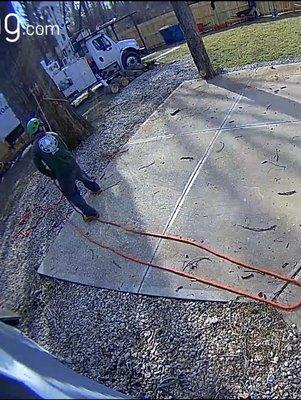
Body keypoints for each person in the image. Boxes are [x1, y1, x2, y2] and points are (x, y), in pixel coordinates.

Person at [27, 117, 101, 222]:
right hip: (71, 163)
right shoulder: (53, 135)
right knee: (83, 176)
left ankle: (91, 213)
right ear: (42, 127)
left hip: (61, 173)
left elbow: (39, 166)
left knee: (72, 194)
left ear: (32, 133)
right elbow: (64, 147)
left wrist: (51, 174)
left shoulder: (35, 149)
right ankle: (96, 188)